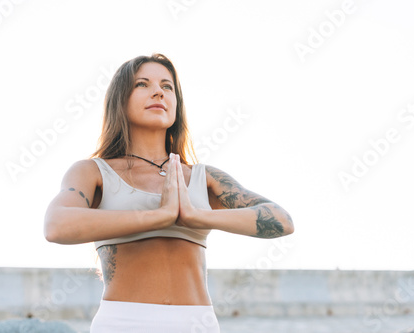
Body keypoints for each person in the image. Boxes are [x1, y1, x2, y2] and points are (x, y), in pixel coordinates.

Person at [43, 53, 294, 332]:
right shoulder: (92, 172)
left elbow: (282, 221)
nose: (158, 92)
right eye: (142, 84)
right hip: (124, 321)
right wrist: (159, 216)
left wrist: (196, 217)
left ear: (177, 104)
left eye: (167, 86)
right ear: (120, 100)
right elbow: (56, 226)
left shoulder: (203, 176)